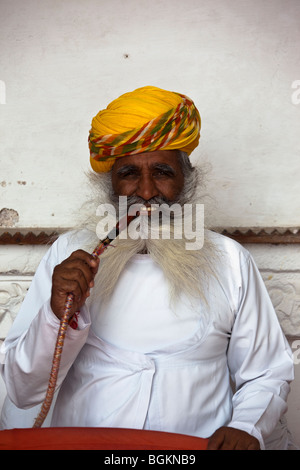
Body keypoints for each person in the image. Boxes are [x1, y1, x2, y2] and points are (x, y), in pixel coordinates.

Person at [0, 86, 294, 450]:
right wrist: (55, 313)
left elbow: (267, 372)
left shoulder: (230, 260)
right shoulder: (70, 254)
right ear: (110, 184)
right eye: (128, 173)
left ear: (187, 179)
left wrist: (247, 426)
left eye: (162, 172)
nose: (146, 190)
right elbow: (23, 389)